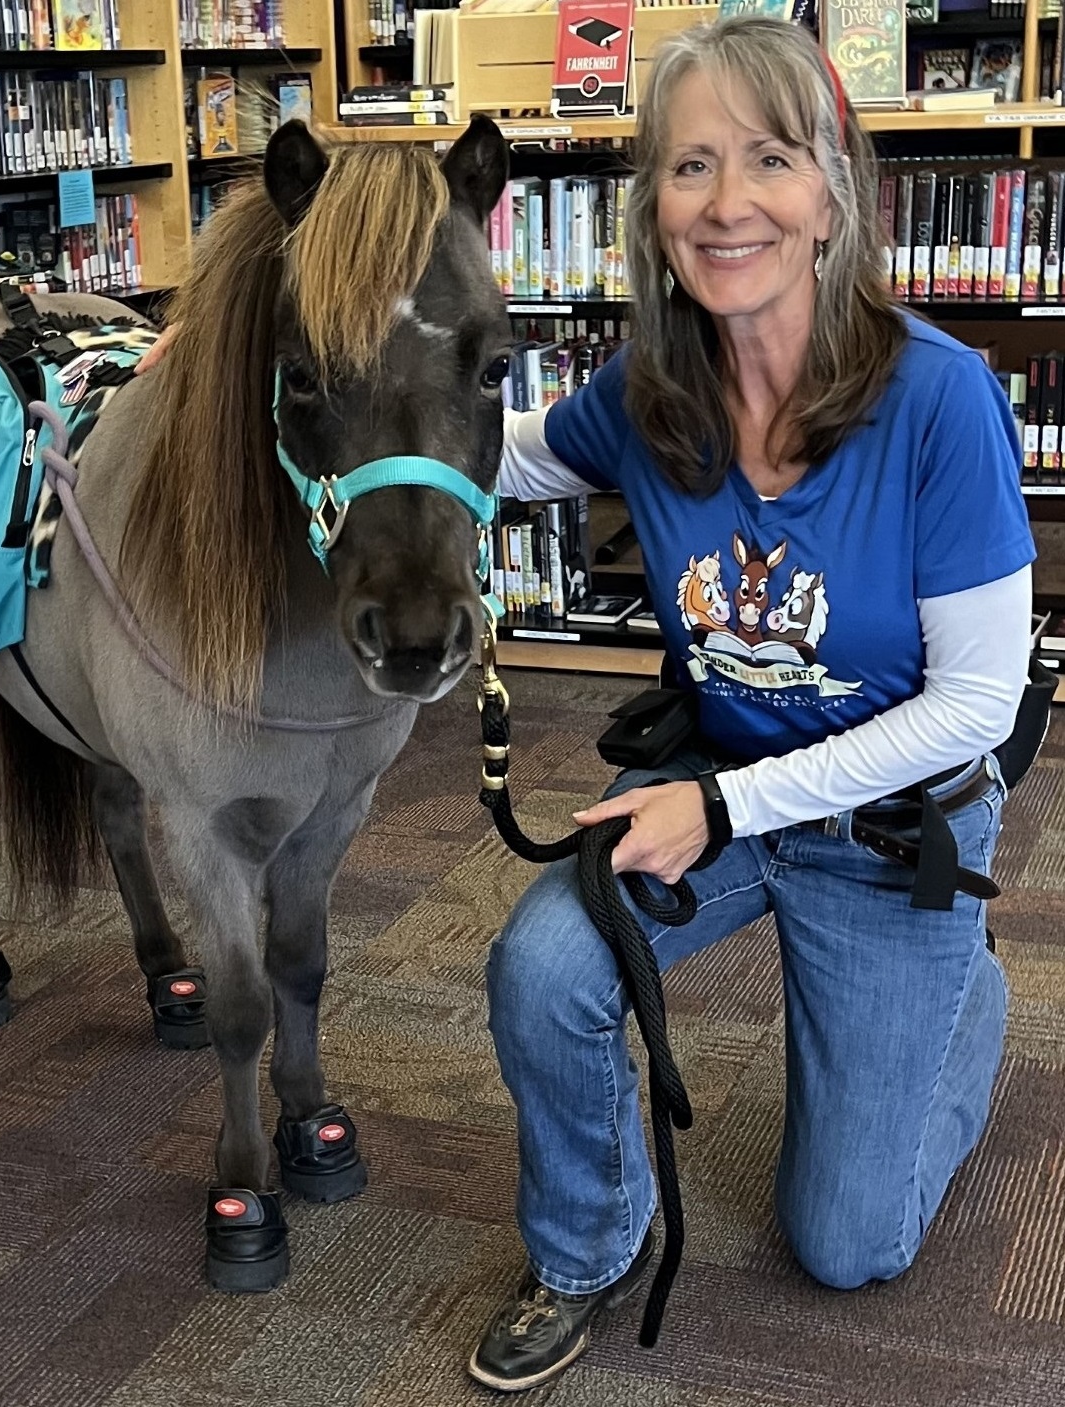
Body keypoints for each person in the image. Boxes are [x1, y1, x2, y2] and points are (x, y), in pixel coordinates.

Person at [138, 18, 1034, 1392]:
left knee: (848, 1244)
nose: (729, 200)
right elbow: (464, 451)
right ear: (654, 208)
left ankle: (960, 1005)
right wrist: (228, 408)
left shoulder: (939, 399)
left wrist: (722, 802)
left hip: (880, 830)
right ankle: (583, 1247)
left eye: (769, 159)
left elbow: (983, 699)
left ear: (831, 188)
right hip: (717, 797)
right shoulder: (648, 396)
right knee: (539, 973)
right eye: (690, 165)